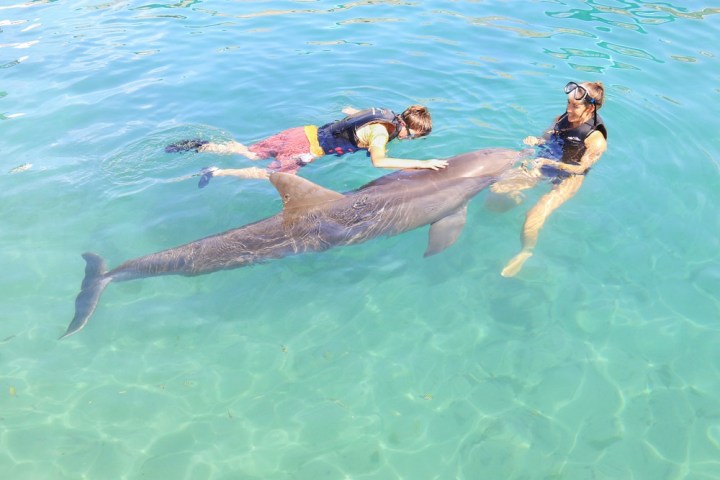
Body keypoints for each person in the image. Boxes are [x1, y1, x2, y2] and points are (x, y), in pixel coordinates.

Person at [491, 81, 608, 277]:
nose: (568, 110)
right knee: (497, 190)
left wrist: (554, 165)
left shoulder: (596, 139)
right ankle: (520, 196)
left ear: (590, 108)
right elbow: (545, 138)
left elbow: (581, 168)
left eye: (575, 106)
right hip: (547, 162)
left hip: (569, 176)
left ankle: (525, 252)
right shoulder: (562, 118)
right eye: (568, 103)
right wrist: (535, 141)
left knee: (532, 218)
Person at [166, 105, 448, 185]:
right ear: (408, 127)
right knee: (272, 175)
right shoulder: (382, 135)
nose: (409, 139)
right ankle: (216, 171)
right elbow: (379, 161)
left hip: (302, 132)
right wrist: (423, 163)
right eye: (412, 136)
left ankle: (202, 145)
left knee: (250, 152)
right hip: (305, 150)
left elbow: (351, 113)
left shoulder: (383, 113)